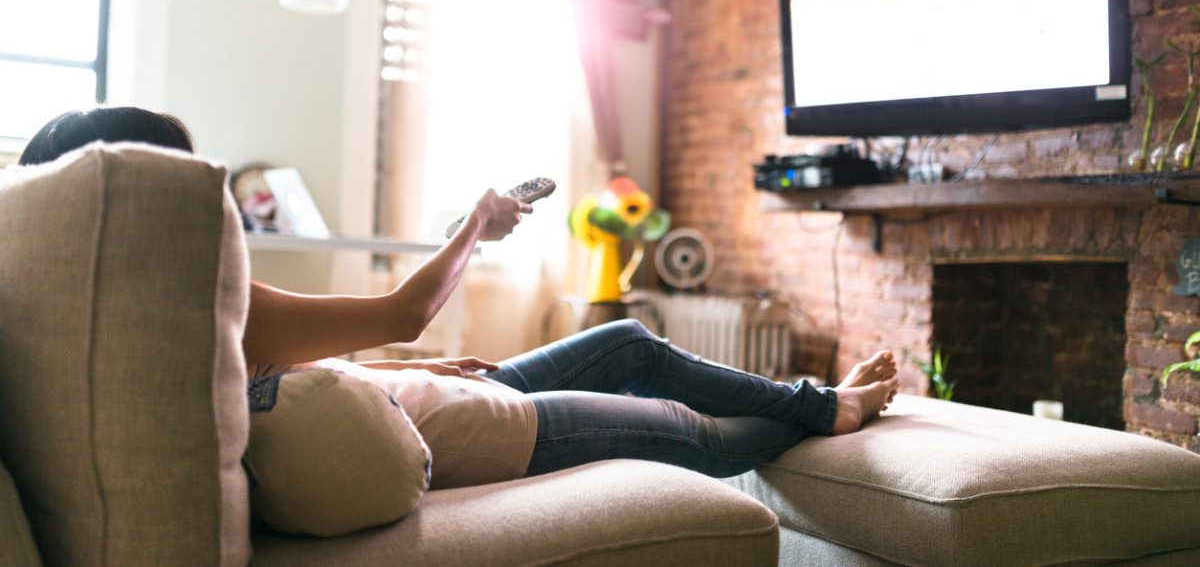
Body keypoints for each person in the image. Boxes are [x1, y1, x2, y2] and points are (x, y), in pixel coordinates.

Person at [21, 106, 899, 487]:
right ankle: (827, 409)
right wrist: (477, 225)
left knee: (632, 344)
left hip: (430, 393)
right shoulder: (200, 312)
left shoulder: (130, 328)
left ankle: (818, 402)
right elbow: (402, 307)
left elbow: (301, 374)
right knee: (694, 437)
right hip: (473, 431)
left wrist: (418, 364)